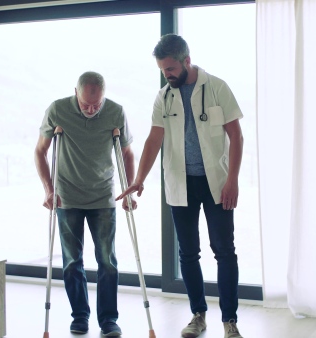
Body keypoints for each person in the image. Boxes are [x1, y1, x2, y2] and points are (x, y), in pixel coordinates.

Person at [116, 34, 244, 338]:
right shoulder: (164, 96)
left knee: (224, 252)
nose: (167, 74)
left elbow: (236, 137)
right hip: (180, 184)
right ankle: (198, 315)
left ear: (187, 61)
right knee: (188, 253)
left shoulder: (217, 88)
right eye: (163, 70)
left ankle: (230, 321)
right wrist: (138, 181)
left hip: (216, 184)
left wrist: (232, 180)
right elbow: (154, 139)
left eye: (171, 68)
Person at [35, 71, 135, 337]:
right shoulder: (58, 110)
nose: (91, 110)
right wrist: (48, 189)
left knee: (107, 261)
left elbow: (126, 152)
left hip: (103, 196)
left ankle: (108, 320)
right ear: (75, 93)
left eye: (96, 105)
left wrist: (129, 190)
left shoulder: (116, 112)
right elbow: (40, 151)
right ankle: (80, 316)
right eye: (85, 105)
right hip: (67, 196)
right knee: (71, 262)